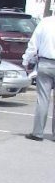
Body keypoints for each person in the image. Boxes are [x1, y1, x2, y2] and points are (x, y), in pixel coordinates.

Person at [23, 13, 55, 141]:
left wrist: (26, 61)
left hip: (46, 64)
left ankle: (38, 133)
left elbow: (33, 44)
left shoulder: (45, 22)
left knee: (43, 99)